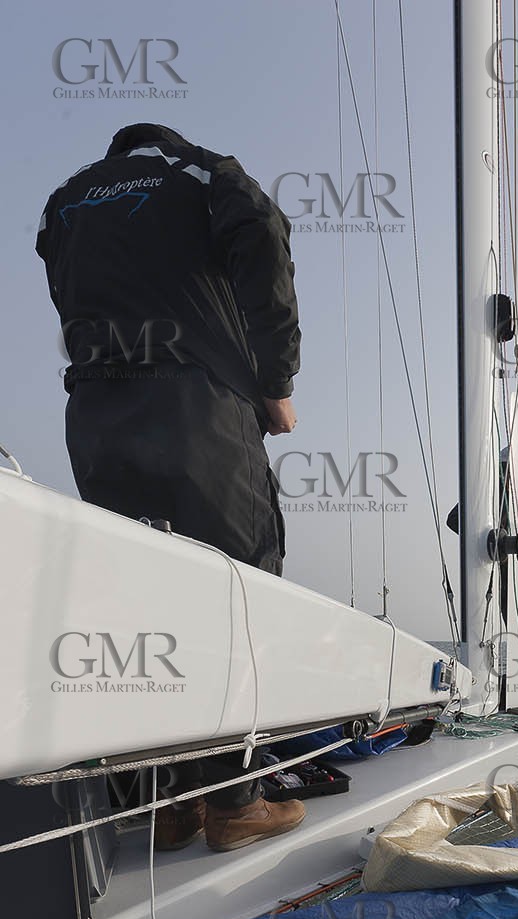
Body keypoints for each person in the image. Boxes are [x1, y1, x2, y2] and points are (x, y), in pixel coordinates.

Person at [37, 123, 305, 853]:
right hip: (196, 414)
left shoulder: (66, 199)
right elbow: (264, 243)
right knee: (235, 598)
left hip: (95, 419)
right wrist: (275, 382)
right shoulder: (203, 173)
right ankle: (233, 807)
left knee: (138, 613)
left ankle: (167, 805)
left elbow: (63, 286)